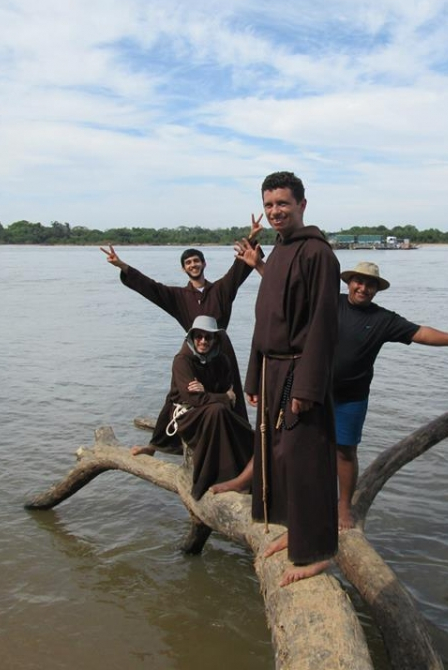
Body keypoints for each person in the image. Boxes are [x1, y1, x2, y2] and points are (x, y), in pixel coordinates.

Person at [332, 261, 448, 528]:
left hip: (352, 397)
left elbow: (421, 333)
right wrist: (260, 267)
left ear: (376, 290)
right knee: (305, 446)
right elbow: (291, 293)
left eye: (370, 284)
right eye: (359, 281)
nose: (363, 288)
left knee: (346, 452)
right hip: (314, 393)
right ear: (349, 283)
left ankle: (344, 506)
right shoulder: (329, 303)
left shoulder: (382, 319)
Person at [243, 171, 340, 586]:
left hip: (300, 371)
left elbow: (323, 325)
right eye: (269, 205)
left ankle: (318, 551)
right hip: (271, 370)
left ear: (302, 204)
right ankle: (294, 531)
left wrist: (306, 387)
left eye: (282, 203)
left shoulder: (319, 254)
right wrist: (253, 376)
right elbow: (265, 318)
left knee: (306, 461)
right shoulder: (280, 250)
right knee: (278, 456)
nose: (275, 211)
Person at [100, 220, 262, 451]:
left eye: (196, 260)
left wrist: (251, 237)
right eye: (188, 263)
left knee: (230, 392)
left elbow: (238, 270)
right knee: (177, 394)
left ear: (204, 263)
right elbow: (151, 287)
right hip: (192, 348)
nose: (193, 265)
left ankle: (239, 443)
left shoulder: (221, 289)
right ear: (183, 269)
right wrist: (122, 265)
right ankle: (157, 445)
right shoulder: (178, 296)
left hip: (221, 349)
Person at [131, 316, 254, 499]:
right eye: (199, 336)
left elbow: (229, 397)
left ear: (215, 339)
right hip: (186, 415)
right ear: (192, 337)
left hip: (209, 412)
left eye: (208, 337)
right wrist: (222, 396)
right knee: (217, 411)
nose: (203, 341)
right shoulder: (182, 361)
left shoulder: (222, 361)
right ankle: (222, 477)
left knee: (237, 425)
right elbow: (195, 398)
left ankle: (242, 474)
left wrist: (209, 393)